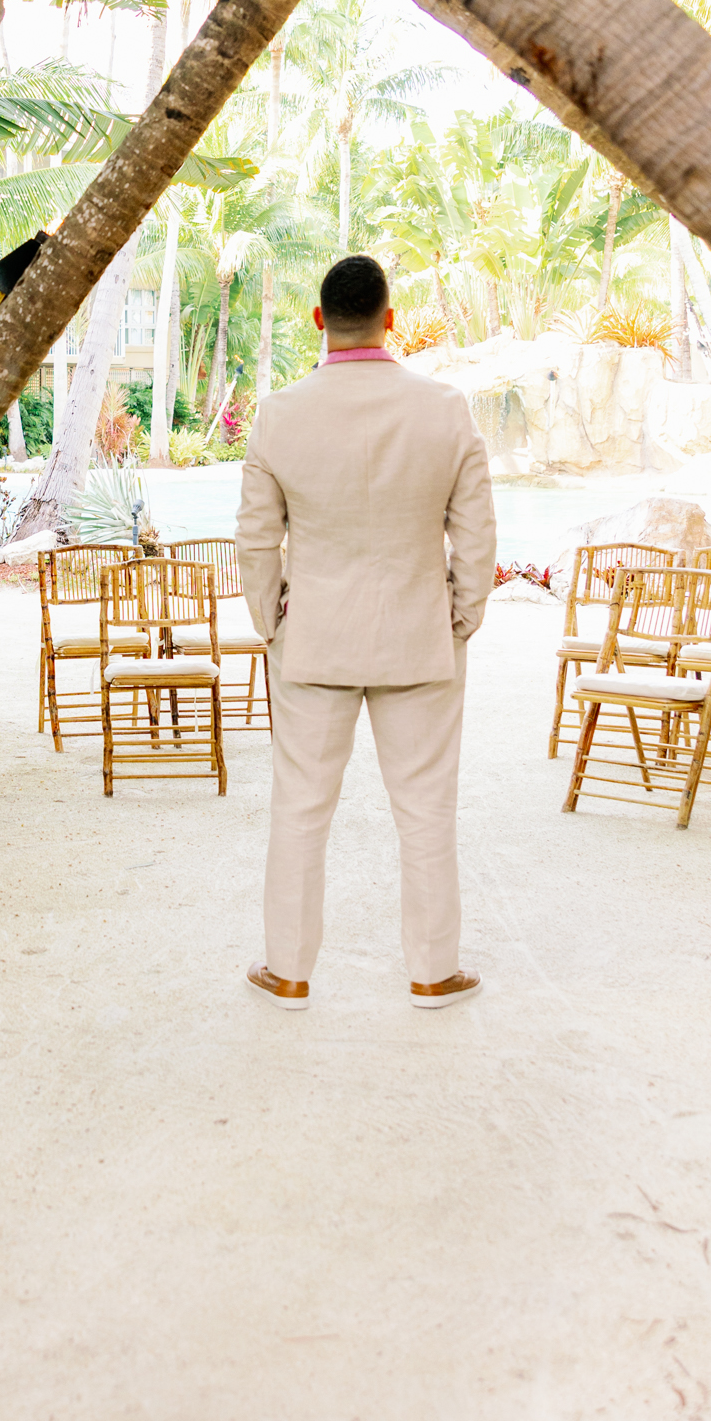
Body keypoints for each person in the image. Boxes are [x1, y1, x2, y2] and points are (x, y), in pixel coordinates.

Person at [234, 253, 495, 1009]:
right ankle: (431, 970)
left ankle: (286, 969)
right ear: (391, 317)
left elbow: (256, 539)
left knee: (298, 807)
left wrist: (268, 622)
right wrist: (461, 618)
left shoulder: (279, 413)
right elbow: (474, 532)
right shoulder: (444, 409)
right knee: (424, 808)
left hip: (312, 638)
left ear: (320, 321)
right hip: (419, 637)